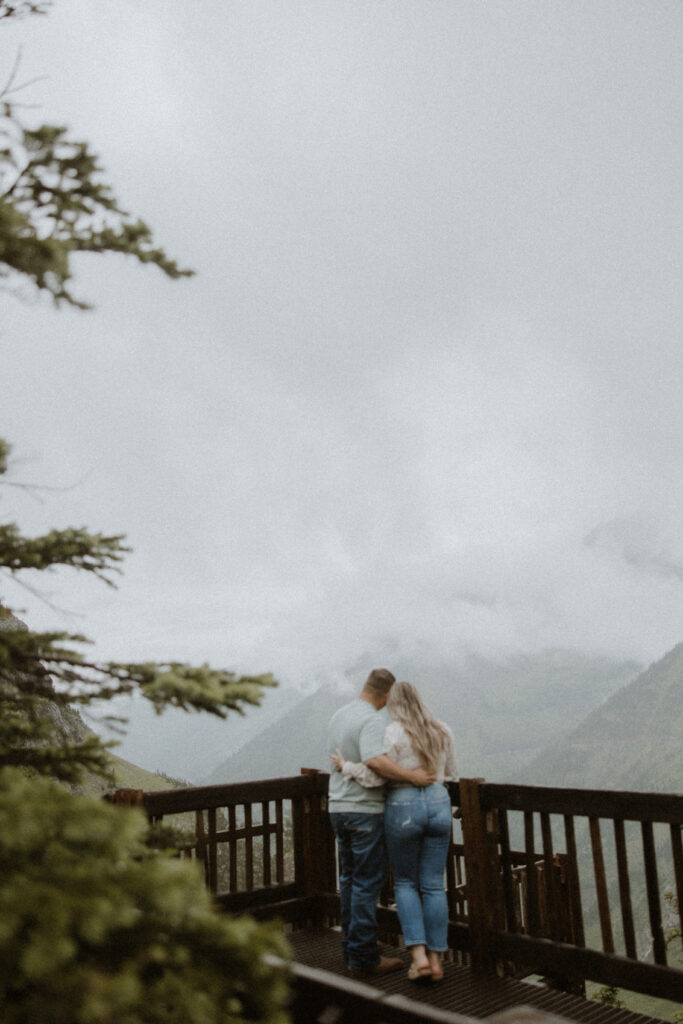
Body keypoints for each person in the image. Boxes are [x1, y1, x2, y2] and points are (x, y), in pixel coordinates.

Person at [331, 680, 456, 983]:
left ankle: (419, 959)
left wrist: (346, 766)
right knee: (434, 886)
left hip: (403, 806)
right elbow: (451, 773)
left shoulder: (392, 733)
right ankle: (438, 960)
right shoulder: (443, 731)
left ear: (393, 704)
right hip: (440, 802)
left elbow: (376, 776)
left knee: (405, 883)